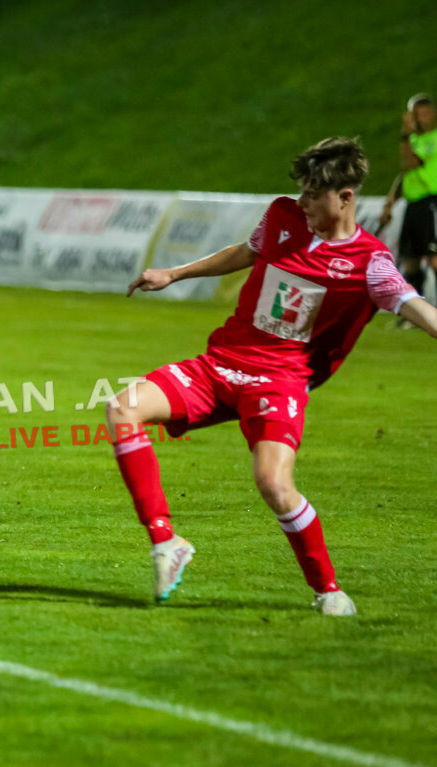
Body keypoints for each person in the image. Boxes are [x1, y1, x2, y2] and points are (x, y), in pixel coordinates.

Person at [108, 137, 437, 616]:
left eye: (312, 195)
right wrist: (175, 274)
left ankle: (328, 590)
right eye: (300, 191)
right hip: (220, 364)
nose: (301, 202)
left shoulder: (370, 264)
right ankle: (166, 542)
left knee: (274, 486)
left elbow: (418, 309)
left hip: (277, 382)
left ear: (345, 197)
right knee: (123, 407)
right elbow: (246, 252)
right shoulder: (283, 216)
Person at [380, 93, 437, 302]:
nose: (423, 117)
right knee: (410, 259)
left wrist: (404, 136)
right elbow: (406, 174)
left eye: (426, 113)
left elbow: (412, 163)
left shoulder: (434, 139)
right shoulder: (412, 140)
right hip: (413, 205)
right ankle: (416, 312)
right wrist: (389, 203)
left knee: (434, 259)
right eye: (418, 114)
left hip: (432, 202)